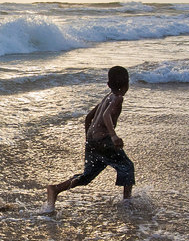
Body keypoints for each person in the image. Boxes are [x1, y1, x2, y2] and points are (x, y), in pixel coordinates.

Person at [45, 65, 135, 210]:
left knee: (87, 176)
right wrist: (113, 136)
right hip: (104, 141)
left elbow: (88, 118)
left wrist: (89, 140)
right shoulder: (118, 98)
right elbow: (106, 116)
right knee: (127, 166)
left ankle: (55, 189)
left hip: (93, 141)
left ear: (108, 84)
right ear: (127, 84)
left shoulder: (107, 97)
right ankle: (127, 203)